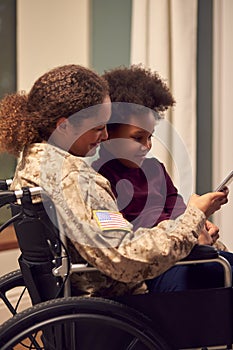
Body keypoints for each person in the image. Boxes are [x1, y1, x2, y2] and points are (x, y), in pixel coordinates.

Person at [0, 64, 228, 298]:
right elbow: (125, 256)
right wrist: (193, 217)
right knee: (221, 267)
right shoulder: (74, 179)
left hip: (82, 294)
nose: (106, 136)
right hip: (121, 303)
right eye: (99, 128)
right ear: (64, 126)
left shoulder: (34, 162)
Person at [92, 65, 231, 291]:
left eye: (150, 137)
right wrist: (189, 232)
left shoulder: (155, 169)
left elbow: (178, 211)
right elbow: (125, 244)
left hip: (182, 255)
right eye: (138, 138)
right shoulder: (99, 180)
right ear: (108, 133)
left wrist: (201, 222)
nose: (147, 146)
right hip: (152, 270)